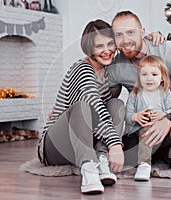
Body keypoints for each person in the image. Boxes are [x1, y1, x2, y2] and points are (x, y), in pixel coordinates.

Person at [37, 19, 125, 194]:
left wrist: (151, 39)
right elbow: (93, 105)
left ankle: (101, 160)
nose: (106, 50)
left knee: (117, 104)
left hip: (86, 140)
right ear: (89, 48)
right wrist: (115, 144)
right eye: (99, 46)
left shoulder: (111, 73)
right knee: (84, 106)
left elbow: (142, 63)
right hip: (55, 145)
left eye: (110, 44)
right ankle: (88, 169)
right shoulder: (82, 69)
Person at [107, 10, 171, 167]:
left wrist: (168, 120)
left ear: (142, 32)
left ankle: (162, 155)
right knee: (128, 161)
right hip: (139, 128)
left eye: (130, 33)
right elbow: (105, 100)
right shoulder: (116, 67)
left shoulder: (166, 50)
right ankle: (153, 156)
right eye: (119, 35)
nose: (125, 40)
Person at [125, 55, 171, 180]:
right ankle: (144, 165)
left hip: (164, 130)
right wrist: (135, 116)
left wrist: (164, 114)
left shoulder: (164, 92)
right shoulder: (135, 94)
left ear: (162, 78)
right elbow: (127, 115)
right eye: (144, 75)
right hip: (145, 130)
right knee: (146, 132)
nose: (149, 78)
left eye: (154, 74)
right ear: (139, 77)